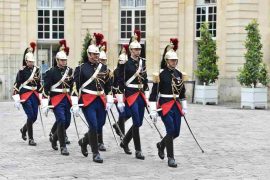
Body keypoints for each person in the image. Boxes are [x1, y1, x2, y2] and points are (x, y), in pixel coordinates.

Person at [149, 38, 187, 168]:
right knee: (170, 130)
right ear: (166, 61)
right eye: (172, 60)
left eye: (175, 60)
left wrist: (185, 106)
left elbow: (182, 92)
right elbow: (153, 94)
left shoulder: (179, 74)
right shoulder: (160, 74)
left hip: (176, 105)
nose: (174, 62)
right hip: (165, 105)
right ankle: (171, 158)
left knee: (176, 132)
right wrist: (153, 110)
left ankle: (161, 145)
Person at [74, 33, 112, 163]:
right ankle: (95, 153)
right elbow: (76, 87)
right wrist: (75, 104)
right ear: (88, 55)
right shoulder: (80, 68)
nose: (96, 56)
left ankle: (84, 141)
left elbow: (108, 85)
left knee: (100, 124)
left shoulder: (104, 68)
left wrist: (110, 99)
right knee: (94, 125)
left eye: (97, 54)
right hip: (87, 100)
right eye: (94, 54)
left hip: (100, 100)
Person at [117, 31, 150, 160]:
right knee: (136, 120)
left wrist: (147, 96)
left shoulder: (143, 62)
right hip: (130, 94)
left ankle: (125, 141)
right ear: (130, 50)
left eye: (139, 49)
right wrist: (120, 97)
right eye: (135, 49)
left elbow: (145, 79)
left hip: (140, 94)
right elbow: (120, 79)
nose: (138, 51)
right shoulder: (125, 62)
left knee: (139, 122)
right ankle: (138, 150)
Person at [42, 40, 73, 156]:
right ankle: (63, 146)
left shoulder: (70, 71)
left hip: (67, 98)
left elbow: (72, 86)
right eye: (62, 60)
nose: (64, 62)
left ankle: (54, 137)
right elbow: (45, 88)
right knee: (61, 120)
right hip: (56, 99)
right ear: (57, 60)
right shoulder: (51, 72)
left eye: (65, 60)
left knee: (67, 122)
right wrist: (45, 103)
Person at [13, 42, 42, 146]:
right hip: (25, 94)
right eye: (29, 62)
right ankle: (31, 139)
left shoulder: (37, 70)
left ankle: (23, 129)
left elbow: (39, 84)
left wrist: (42, 96)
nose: (31, 63)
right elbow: (16, 84)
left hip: (34, 95)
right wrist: (16, 98)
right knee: (30, 115)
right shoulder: (22, 70)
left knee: (34, 117)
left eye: (32, 61)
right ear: (26, 61)